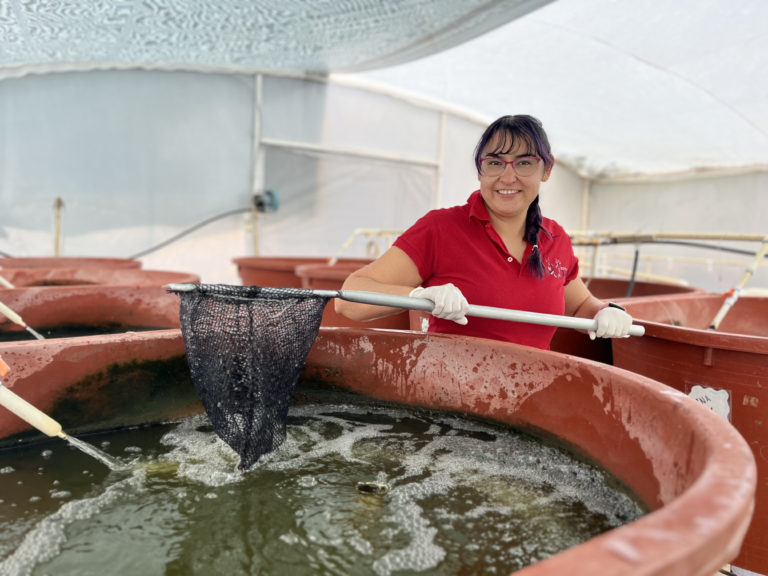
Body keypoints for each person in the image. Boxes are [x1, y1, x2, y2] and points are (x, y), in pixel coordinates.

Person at [335, 114, 632, 350]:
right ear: (480, 171)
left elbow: (580, 305)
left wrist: (605, 311)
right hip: (450, 406)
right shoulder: (441, 229)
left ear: (547, 169)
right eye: (494, 163)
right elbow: (348, 300)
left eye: (524, 163)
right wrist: (419, 295)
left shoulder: (554, 239)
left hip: (530, 399)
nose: (507, 176)